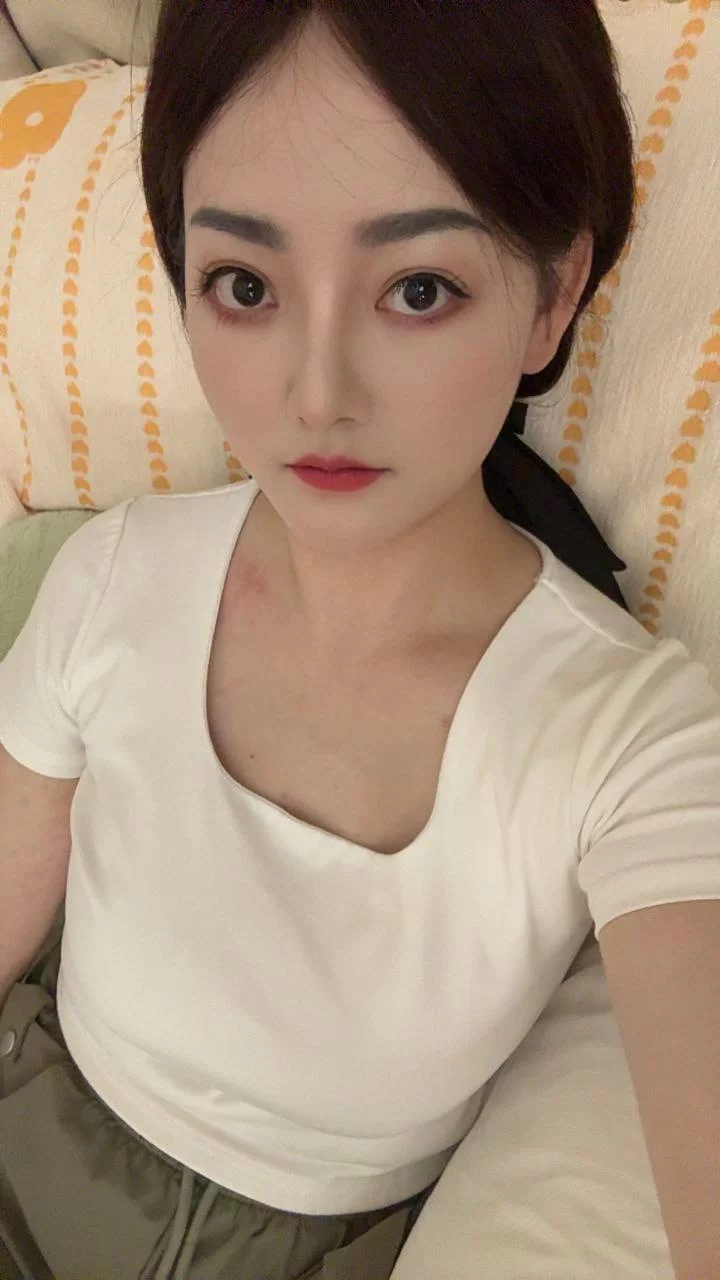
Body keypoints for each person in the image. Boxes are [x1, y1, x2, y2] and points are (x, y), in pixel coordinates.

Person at [1, 3, 719, 1278]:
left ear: (553, 297)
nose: (317, 392)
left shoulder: (632, 739)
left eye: (418, 288)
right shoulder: (111, 578)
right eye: (244, 285)